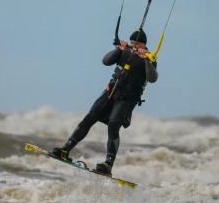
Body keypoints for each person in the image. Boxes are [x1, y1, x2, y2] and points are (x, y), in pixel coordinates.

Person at [50, 29, 158, 175]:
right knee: (90, 116)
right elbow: (105, 61)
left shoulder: (150, 58)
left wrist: (145, 58)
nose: (133, 46)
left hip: (128, 97)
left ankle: (108, 164)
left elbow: (152, 78)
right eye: (131, 43)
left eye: (136, 43)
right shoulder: (124, 51)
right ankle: (65, 149)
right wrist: (119, 49)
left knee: (113, 125)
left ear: (143, 44)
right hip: (111, 90)